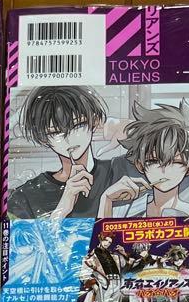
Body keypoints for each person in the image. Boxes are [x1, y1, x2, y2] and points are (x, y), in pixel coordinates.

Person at [8, 85, 135, 220]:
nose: (69, 138)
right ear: (43, 138)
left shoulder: (120, 170)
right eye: (56, 132)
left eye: (78, 125)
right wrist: (61, 210)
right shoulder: (26, 196)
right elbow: (18, 233)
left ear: (94, 121)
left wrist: (133, 128)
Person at [101, 101, 189, 218]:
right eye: (153, 161)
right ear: (140, 165)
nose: (164, 170)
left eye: (175, 162)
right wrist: (106, 200)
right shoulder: (124, 211)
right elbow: (98, 230)